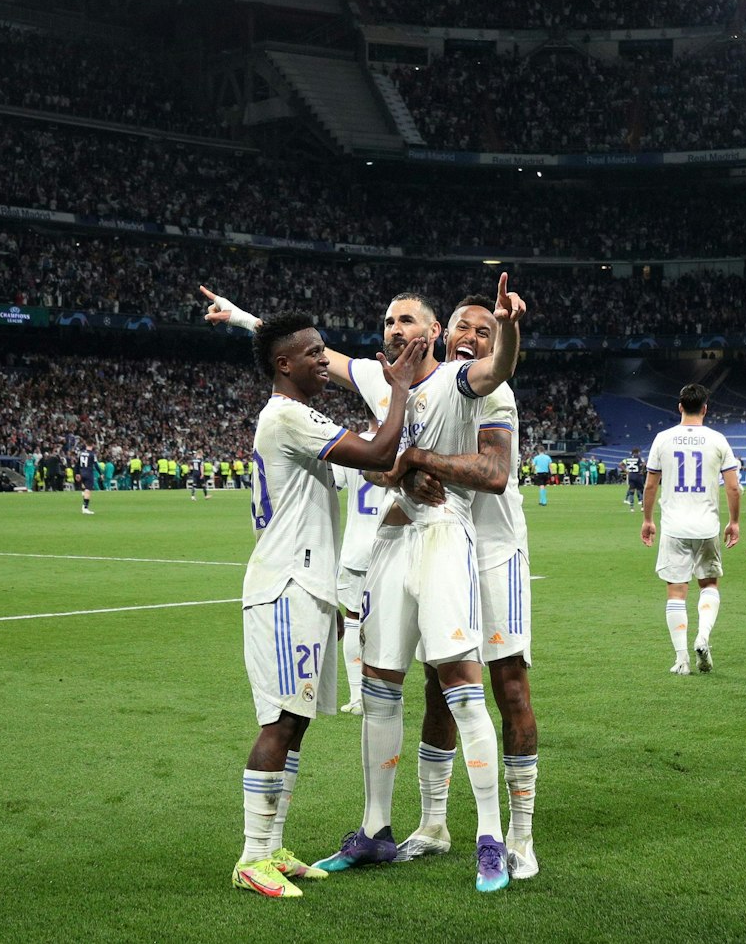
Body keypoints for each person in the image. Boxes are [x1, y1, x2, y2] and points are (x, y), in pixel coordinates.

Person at [203, 277, 529, 893]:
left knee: (461, 684)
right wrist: (247, 317)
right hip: (390, 543)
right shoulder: (386, 380)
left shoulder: (459, 380)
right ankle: (376, 831)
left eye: (408, 320)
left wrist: (507, 328)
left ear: (434, 332)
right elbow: (312, 356)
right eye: (388, 322)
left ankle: (489, 837)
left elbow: (496, 370)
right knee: (379, 690)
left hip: (443, 538)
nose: (395, 330)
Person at [232, 312, 421, 900]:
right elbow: (379, 449)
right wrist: (399, 387)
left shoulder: (293, 415)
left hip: (307, 586)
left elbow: (374, 466)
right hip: (285, 586)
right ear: (283, 364)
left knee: (298, 723)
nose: (324, 360)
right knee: (280, 722)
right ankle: (252, 857)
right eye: (313, 353)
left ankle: (273, 848)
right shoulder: (288, 415)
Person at [399, 295, 543, 881]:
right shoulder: (431, 391)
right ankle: (434, 823)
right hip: (443, 548)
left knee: (509, 688)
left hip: (495, 555)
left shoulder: (495, 392)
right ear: (444, 333)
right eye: (465, 325)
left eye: (487, 331)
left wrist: (419, 459)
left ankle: (521, 836)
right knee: (438, 687)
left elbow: (494, 473)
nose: (473, 336)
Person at [641, 384, 742, 676]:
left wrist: (648, 519)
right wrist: (734, 522)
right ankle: (703, 637)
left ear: (680, 406)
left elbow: (650, 484)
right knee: (709, 585)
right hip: (707, 526)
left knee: (676, 592)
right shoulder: (718, 440)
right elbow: (734, 487)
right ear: (706, 408)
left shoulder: (663, 439)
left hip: (674, 527)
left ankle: (682, 658)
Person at [331, 419, 385, 715]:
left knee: (353, 618)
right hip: (390, 546)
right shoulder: (400, 441)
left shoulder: (349, 443)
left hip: (355, 547)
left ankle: (356, 696)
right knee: (389, 623)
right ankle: (389, 694)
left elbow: (333, 486)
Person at [76, 441, 98, 515]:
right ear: (93, 444)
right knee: (88, 490)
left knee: (85, 489)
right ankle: (85, 508)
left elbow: (77, 463)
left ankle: (83, 493)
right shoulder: (92, 454)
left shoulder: (81, 453)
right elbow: (96, 465)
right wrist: (101, 473)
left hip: (82, 472)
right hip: (88, 473)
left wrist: (77, 473)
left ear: (86, 444)